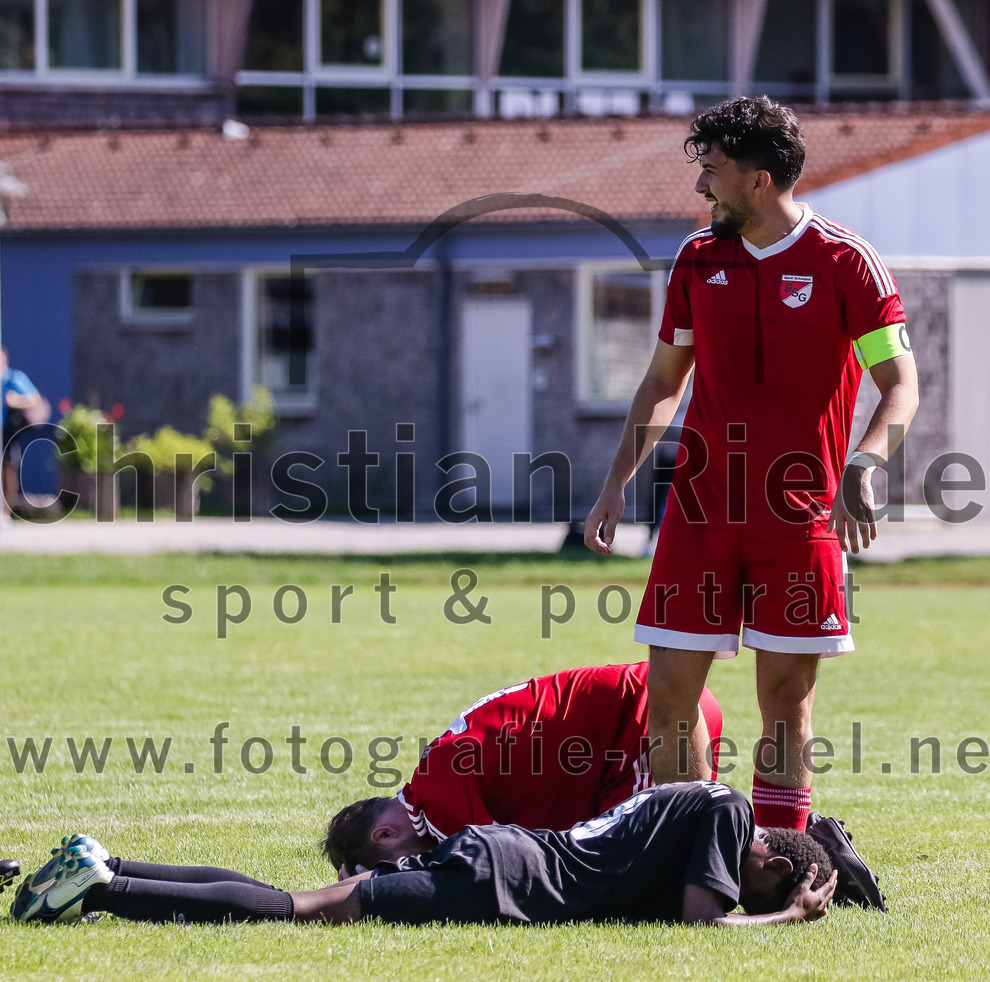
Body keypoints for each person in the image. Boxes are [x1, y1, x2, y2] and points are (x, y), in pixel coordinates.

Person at [584, 97, 919, 833]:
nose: (702, 187)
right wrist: (616, 484)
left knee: (788, 700)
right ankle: (685, 853)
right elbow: (664, 382)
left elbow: (901, 386)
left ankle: (778, 863)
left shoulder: (845, 263)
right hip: (700, 512)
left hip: (800, 517)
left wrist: (866, 461)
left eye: (713, 170)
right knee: (668, 695)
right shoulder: (698, 259)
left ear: (759, 179)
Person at [11, 782, 837, 927]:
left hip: (499, 856)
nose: (739, 892)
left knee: (309, 899)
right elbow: (703, 926)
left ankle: (111, 866)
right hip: (502, 878)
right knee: (306, 910)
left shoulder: (691, 799)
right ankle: (105, 888)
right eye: (758, 886)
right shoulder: (729, 813)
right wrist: (787, 918)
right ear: (769, 860)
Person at [323, 661, 723, 874]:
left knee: (650, 872)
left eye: (396, 862)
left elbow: (491, 866)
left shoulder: (435, 798)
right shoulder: (433, 777)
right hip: (658, 707)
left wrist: (383, 882)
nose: (409, 865)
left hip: (651, 718)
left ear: (385, 834)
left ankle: (776, 880)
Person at [1, 346, 47, 526]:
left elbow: (35, 399)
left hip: (7, 431)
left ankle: (5, 513)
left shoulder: (14, 378)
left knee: (8, 469)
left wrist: (16, 400)